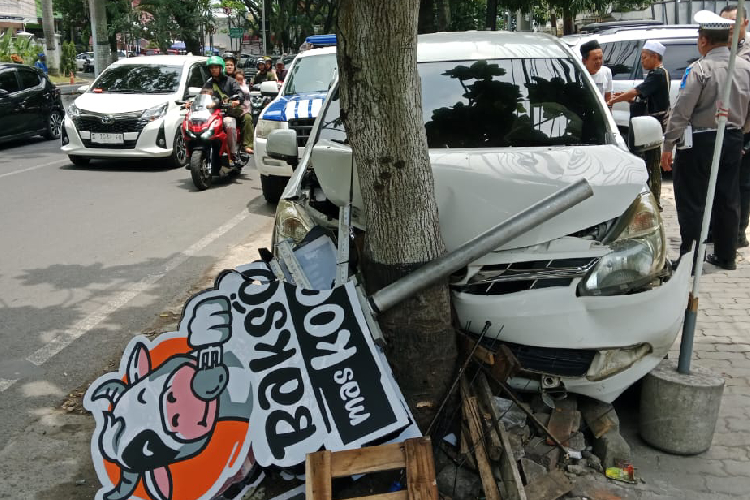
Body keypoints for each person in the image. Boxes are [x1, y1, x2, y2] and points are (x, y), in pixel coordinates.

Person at [660, 10, 750, 271]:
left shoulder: (699, 69)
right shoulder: (745, 68)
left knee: (692, 200)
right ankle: (726, 255)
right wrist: (740, 133)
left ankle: (691, 258)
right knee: (727, 197)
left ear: (703, 40)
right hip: (732, 139)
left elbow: (682, 111)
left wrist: (668, 144)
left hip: (699, 143)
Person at [607, 40, 670, 206]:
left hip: (652, 125)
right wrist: (626, 99)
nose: (642, 61)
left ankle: (654, 200)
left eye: (644, 58)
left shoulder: (658, 74)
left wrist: (614, 100)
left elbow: (637, 91)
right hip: (650, 123)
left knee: (652, 162)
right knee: (649, 161)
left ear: (655, 57)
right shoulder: (656, 74)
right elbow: (642, 96)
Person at [721, 4, 750, 247]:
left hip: (745, 129)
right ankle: (721, 230)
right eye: (725, 23)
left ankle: (739, 231)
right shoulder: (719, 49)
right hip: (721, 128)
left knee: (743, 183)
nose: (730, 28)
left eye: (734, 22)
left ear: (745, 24)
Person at [201, 56, 243, 167]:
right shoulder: (209, 83)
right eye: (211, 68)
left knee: (229, 124)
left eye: (216, 67)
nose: (213, 69)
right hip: (211, 115)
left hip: (226, 113)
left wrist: (237, 100)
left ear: (221, 68)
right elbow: (202, 95)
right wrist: (191, 103)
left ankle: (233, 154)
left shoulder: (231, 81)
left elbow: (239, 93)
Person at [223, 54, 254, 154]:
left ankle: (247, 145)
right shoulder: (216, 78)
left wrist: (237, 101)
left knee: (248, 118)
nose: (229, 67)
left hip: (237, 108)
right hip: (219, 109)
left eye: (231, 64)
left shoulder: (236, 78)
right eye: (226, 64)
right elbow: (206, 91)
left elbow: (242, 93)